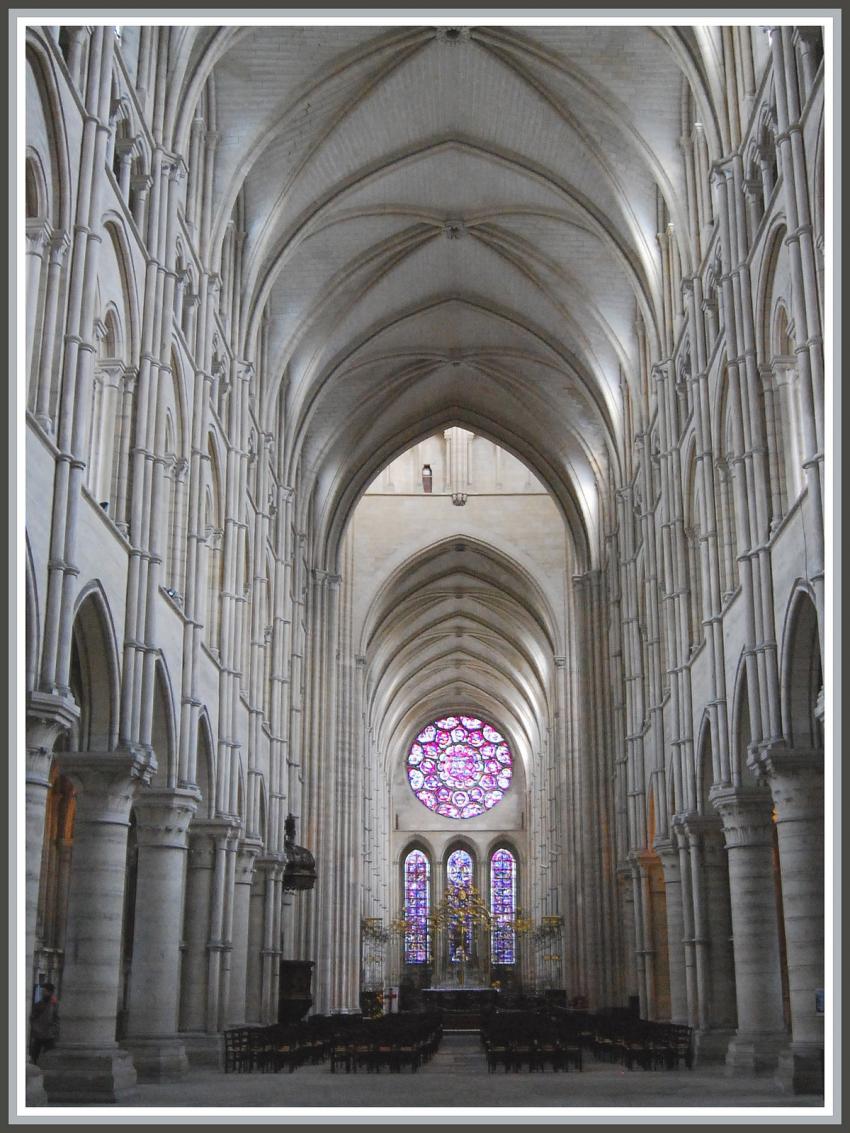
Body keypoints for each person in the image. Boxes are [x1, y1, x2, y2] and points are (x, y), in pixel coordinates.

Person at [29, 982, 59, 1063]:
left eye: (45, 991)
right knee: (34, 1057)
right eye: (43, 991)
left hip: (49, 1036)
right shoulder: (39, 1005)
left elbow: (57, 1019)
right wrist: (36, 1029)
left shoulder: (55, 1005)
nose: (43, 993)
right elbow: (32, 1018)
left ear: (50, 992)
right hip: (39, 1035)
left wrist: (54, 1030)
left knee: (49, 1058)